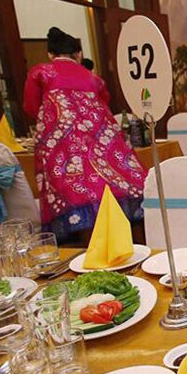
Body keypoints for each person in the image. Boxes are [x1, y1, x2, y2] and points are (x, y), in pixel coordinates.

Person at [23, 27, 146, 240]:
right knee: (119, 177)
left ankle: (80, 246)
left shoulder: (41, 72)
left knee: (71, 187)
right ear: (79, 54)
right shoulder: (92, 78)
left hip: (63, 147)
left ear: (50, 54)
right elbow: (104, 106)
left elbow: (31, 107)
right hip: (99, 144)